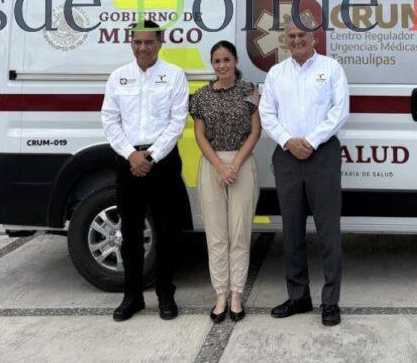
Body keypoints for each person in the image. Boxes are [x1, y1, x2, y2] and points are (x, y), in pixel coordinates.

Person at [258, 19, 349, 327]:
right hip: (286, 156)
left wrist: (310, 141)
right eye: (291, 36)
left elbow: (340, 111)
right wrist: (288, 141)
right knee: (292, 231)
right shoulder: (276, 74)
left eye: (302, 35)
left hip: (321, 154)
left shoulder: (331, 68)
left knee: (328, 232)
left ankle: (330, 302)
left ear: (313, 39)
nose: (296, 40)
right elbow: (266, 113)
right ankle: (298, 296)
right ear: (285, 41)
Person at [100, 20, 189, 322]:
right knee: (130, 233)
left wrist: (150, 156)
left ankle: (166, 295)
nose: (143, 48)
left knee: (166, 232)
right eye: (137, 42)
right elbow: (110, 120)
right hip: (128, 163)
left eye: (148, 42)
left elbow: (177, 122)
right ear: (131, 43)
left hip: (162, 162)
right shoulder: (118, 77)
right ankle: (132, 297)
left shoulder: (174, 76)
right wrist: (131, 155)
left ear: (160, 41)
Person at [190, 40, 262, 323]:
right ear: (212, 65)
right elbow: (200, 136)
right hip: (212, 166)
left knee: (240, 233)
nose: (222, 65)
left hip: (242, 164)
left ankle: (236, 295)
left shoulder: (249, 92)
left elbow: (255, 133)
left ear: (235, 62)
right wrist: (220, 167)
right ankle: (220, 293)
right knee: (217, 235)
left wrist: (233, 166)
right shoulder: (200, 96)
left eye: (227, 60)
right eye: (217, 61)